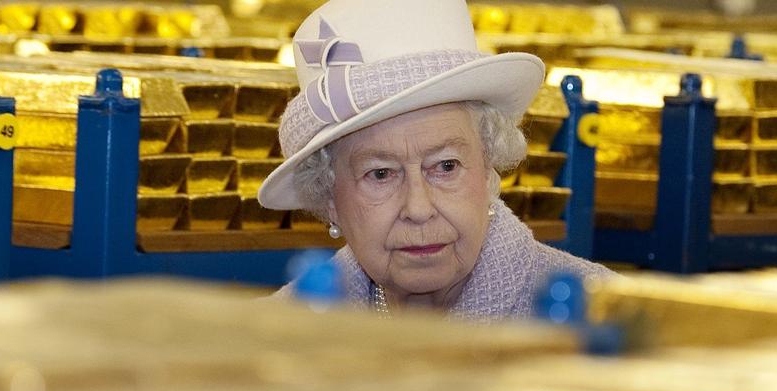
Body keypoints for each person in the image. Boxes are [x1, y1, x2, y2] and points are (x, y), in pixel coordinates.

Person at [258, 0, 611, 321]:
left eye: (446, 166)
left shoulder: (605, 318)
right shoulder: (279, 328)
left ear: (489, 173)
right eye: (380, 174)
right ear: (330, 201)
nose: (419, 207)